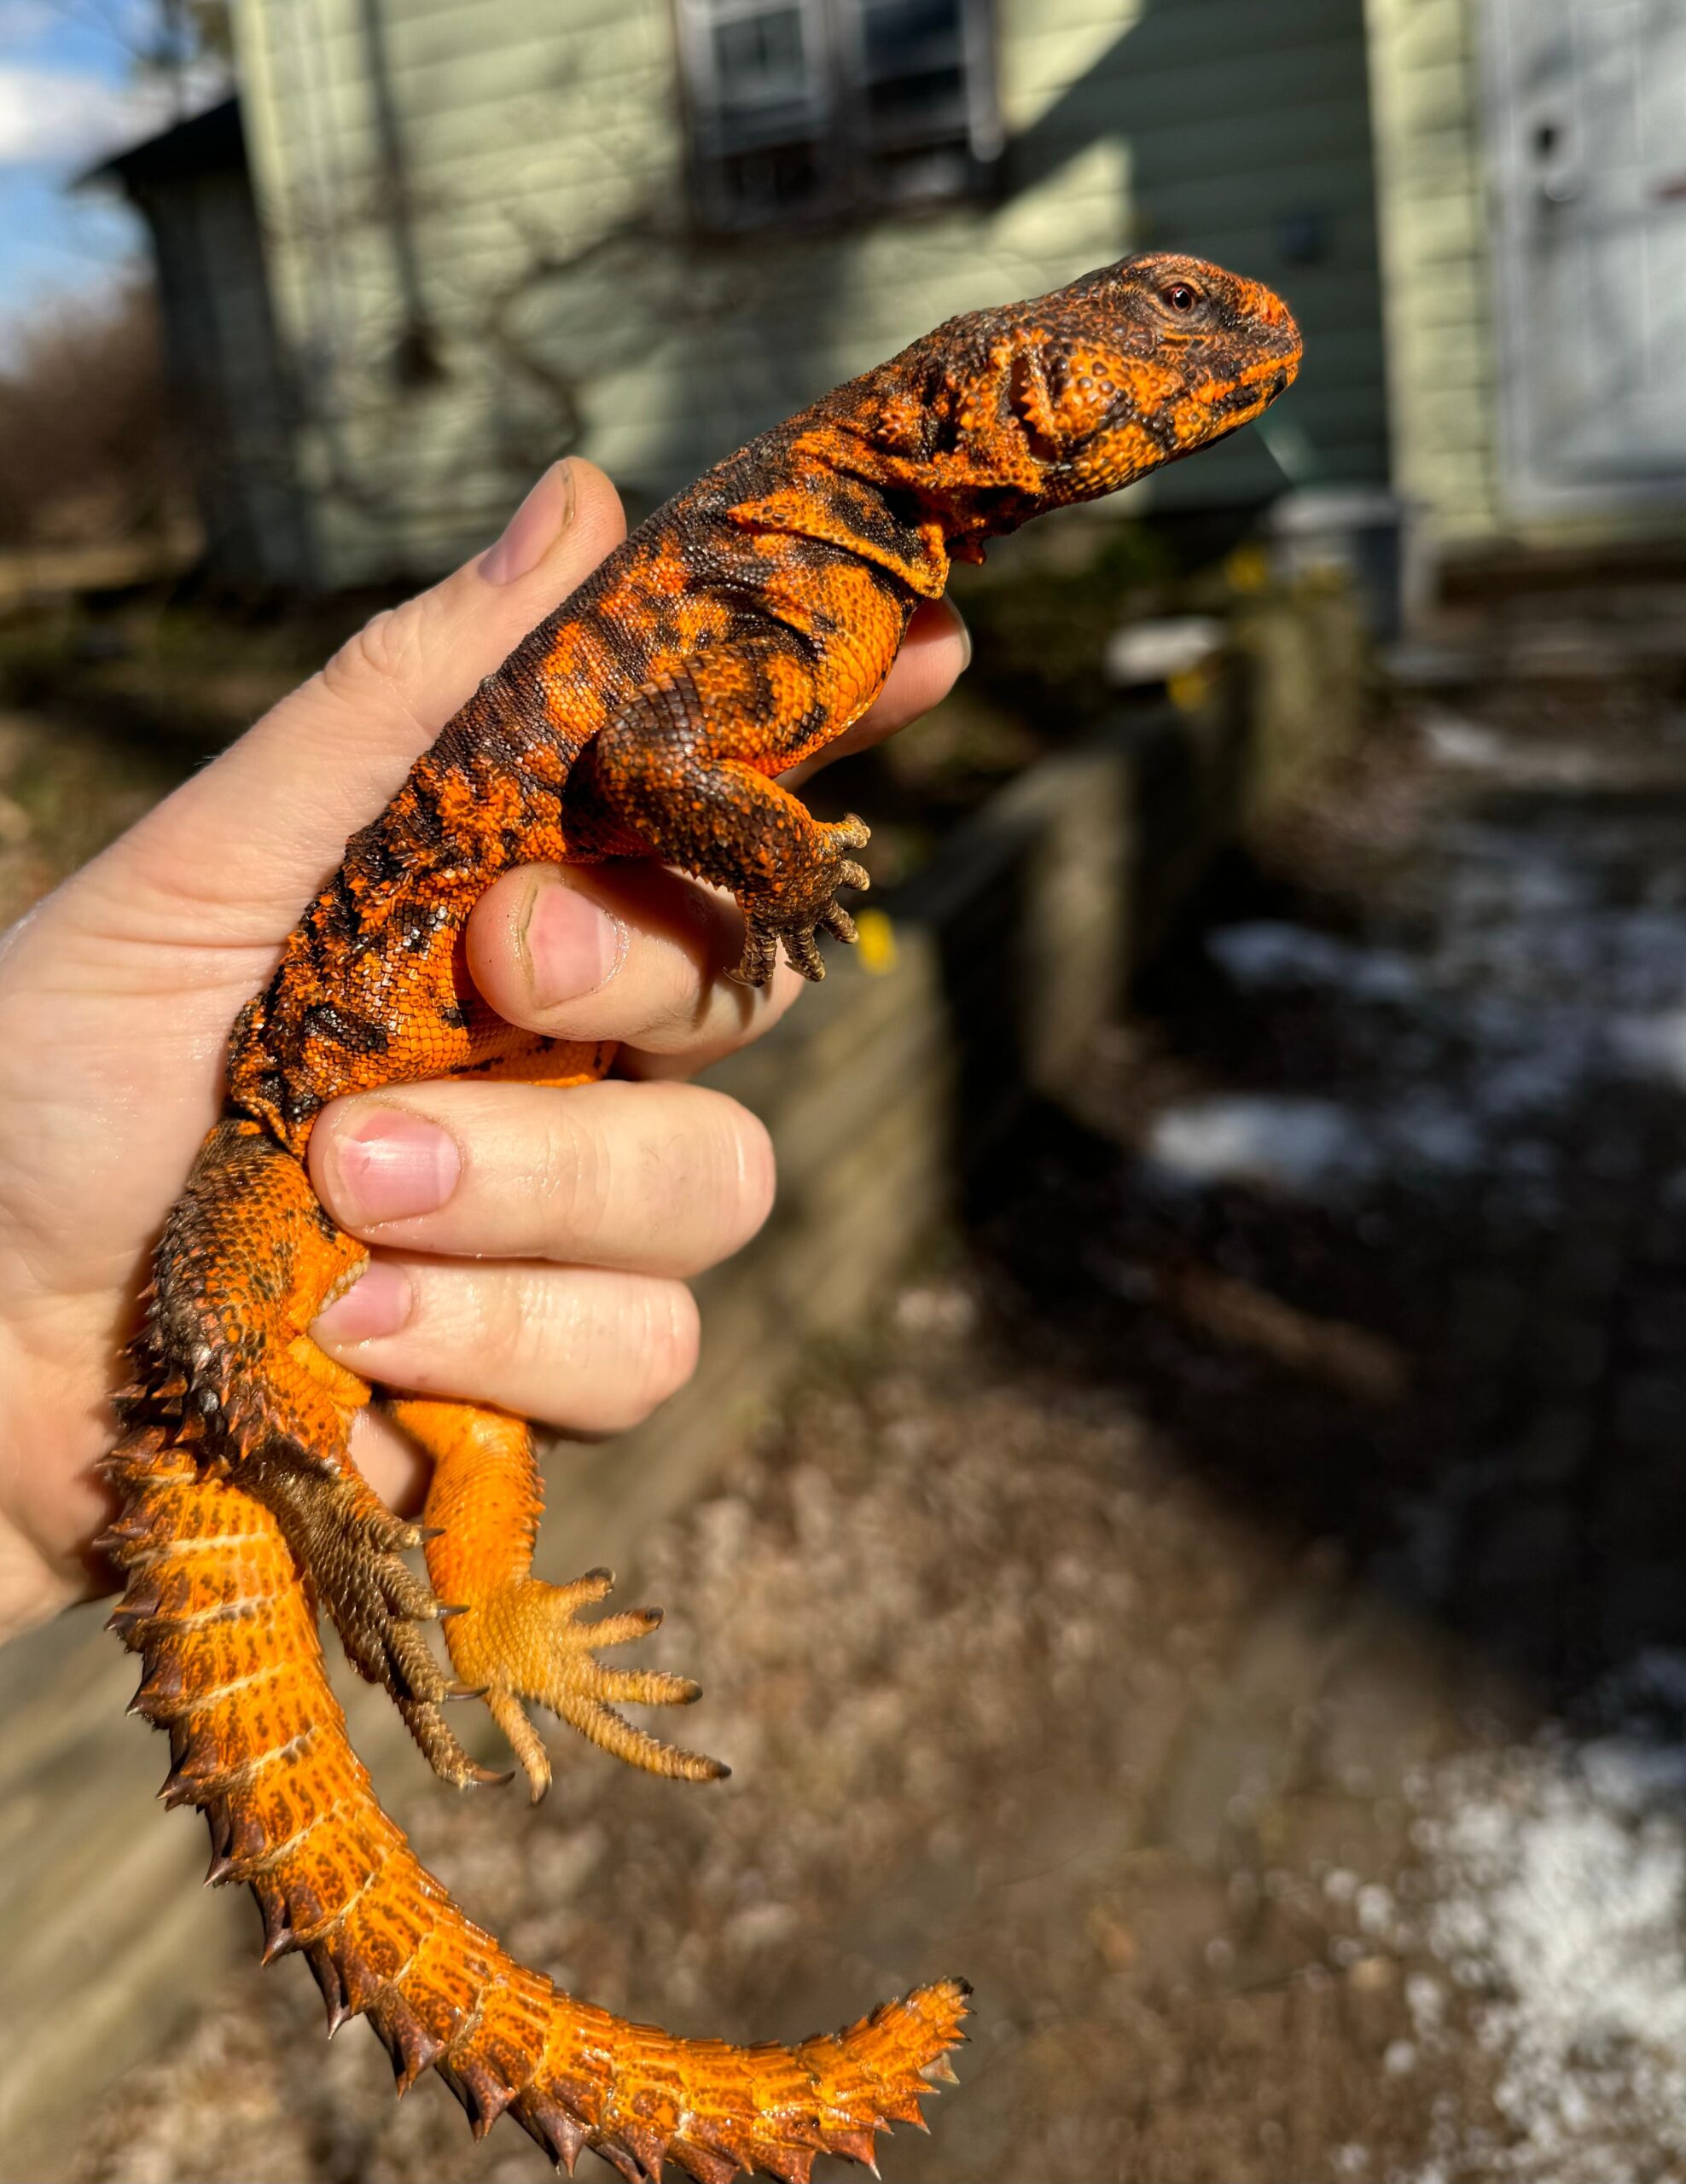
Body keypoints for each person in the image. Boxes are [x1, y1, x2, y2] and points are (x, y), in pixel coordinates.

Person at [0, 456, 967, 1645]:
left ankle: (492, 1625)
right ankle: (347, 1536)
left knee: (480, 1429)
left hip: (401, 1177)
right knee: (227, 1322)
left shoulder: (823, 586)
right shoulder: (788, 533)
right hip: (299, 1102)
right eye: (1172, 307)